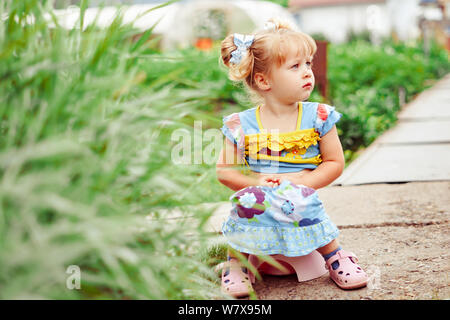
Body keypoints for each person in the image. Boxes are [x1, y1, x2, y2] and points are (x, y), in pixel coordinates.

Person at [216, 19, 368, 298]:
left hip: (300, 191)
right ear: (264, 80)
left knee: (299, 200)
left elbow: (334, 163)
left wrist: (305, 182)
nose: (307, 72)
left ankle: (335, 256)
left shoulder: (318, 116)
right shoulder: (241, 124)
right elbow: (225, 172)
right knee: (246, 202)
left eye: (308, 64)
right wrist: (258, 183)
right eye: (295, 66)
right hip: (262, 191)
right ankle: (237, 262)